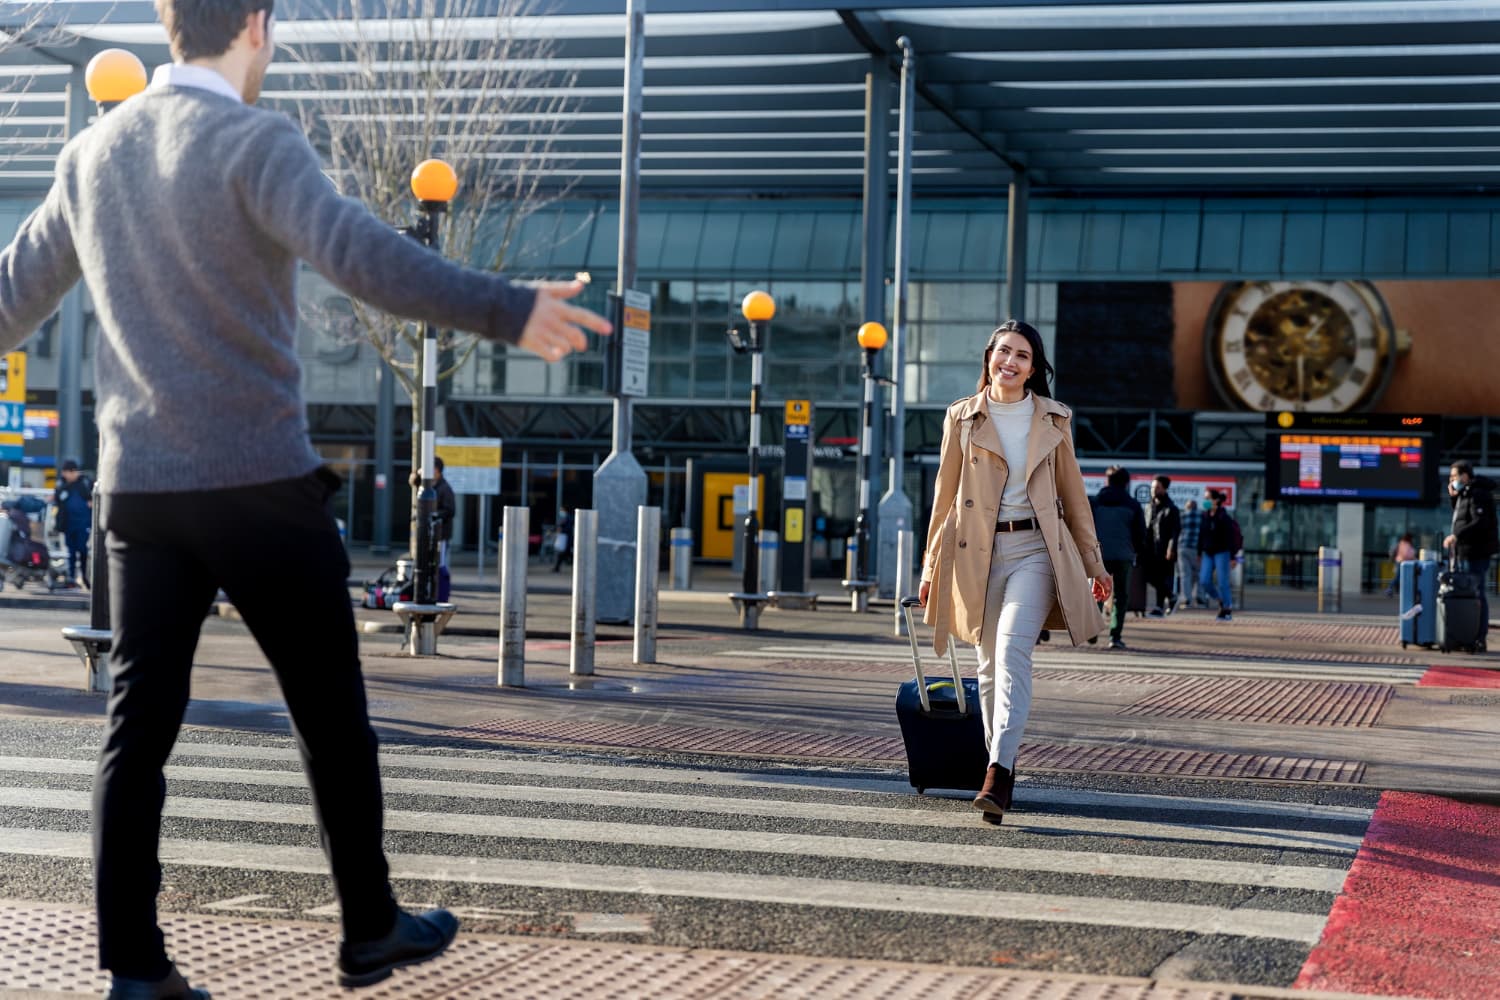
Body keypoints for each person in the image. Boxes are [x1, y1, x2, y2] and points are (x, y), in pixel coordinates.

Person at [0, 3, 612, 997]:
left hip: (141, 491)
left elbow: (9, 296)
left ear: (168, 28)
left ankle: (135, 971)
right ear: (255, 24)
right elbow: (363, 256)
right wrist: (508, 308)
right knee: (329, 715)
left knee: (135, 730)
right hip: (257, 483)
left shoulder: (93, 153)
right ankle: (369, 927)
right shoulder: (255, 140)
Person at [917, 319, 1109, 826]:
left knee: (1010, 652)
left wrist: (1094, 562)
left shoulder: (1053, 419)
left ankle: (998, 771)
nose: (1010, 362)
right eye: (1004, 351)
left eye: (1022, 355)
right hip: (976, 551)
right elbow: (944, 497)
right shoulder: (961, 417)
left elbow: (1074, 497)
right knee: (985, 666)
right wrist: (931, 564)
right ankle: (997, 766)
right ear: (989, 357)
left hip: (1035, 551)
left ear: (1032, 368)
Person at [1089, 465, 1146, 649]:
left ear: (1107, 481)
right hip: (1123, 555)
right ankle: (1115, 636)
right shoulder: (1133, 505)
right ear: (1127, 483)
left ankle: (1091, 629)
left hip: (1100, 555)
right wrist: (1137, 551)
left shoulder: (1095, 502)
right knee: (1120, 596)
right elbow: (1140, 534)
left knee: (1097, 592)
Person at [1444, 461, 1498, 651]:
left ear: (1465, 476)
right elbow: (1461, 518)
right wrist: (1454, 498)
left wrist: (1456, 536)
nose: (1452, 480)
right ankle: (1467, 635)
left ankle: (1478, 637)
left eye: (1454, 476)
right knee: (1467, 595)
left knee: (1476, 595)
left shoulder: (1478, 494)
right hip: (1466, 552)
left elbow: (1479, 522)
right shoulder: (1465, 494)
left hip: (1476, 553)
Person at [1199, 490, 1240, 621]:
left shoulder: (1224, 517)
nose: (1205, 501)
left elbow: (1230, 538)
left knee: (1223, 582)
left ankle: (1227, 609)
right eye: (1204, 498)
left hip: (1222, 552)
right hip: (1207, 553)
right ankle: (1220, 599)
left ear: (1216, 500)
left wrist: (1233, 557)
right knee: (1204, 580)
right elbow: (1201, 536)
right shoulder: (1204, 516)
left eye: (1207, 498)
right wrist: (1199, 552)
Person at [53, 458, 94, 588]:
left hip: (83, 523)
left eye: (67, 472)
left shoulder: (86, 483)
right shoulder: (62, 485)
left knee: (82, 549)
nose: (65, 475)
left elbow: (93, 499)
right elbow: (58, 500)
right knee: (70, 551)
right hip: (68, 524)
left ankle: (84, 577)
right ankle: (71, 578)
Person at [1145, 475, 1180, 617]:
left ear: (1165, 489)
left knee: (1161, 577)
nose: (1154, 490)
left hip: (1164, 549)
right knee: (1149, 576)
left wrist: (1171, 548)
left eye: (1157, 487)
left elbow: (1175, 531)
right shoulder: (1148, 507)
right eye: (1152, 487)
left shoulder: (1171, 509)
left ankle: (1159, 607)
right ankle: (1171, 597)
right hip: (1149, 549)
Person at [433, 457, 456, 601]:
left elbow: (450, 510)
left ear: (437, 471)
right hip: (435, 535)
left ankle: (442, 594)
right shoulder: (433, 486)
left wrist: (434, 515)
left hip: (441, 535)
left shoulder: (444, 488)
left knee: (440, 566)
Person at [1177, 498, 1201, 609]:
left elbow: (1176, 531)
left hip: (1183, 548)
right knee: (1199, 574)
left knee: (1185, 575)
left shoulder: (1182, 516)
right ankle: (1199, 598)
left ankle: (1186, 599)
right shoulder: (1201, 517)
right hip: (1197, 549)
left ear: (1187, 507)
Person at [1385, 532, 1417, 598]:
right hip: (1402, 562)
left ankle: (1393, 589)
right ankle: (1390, 589)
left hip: (1401, 562)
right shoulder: (1405, 544)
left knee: (1399, 577)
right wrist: (1413, 558)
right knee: (1398, 577)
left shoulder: (1402, 543)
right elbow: (1406, 554)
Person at [552, 508, 572, 573]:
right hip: (565, 538)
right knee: (562, 553)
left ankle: (557, 567)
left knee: (562, 553)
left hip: (566, 538)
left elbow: (568, 528)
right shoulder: (566, 518)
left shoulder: (568, 518)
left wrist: (561, 530)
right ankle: (557, 567)